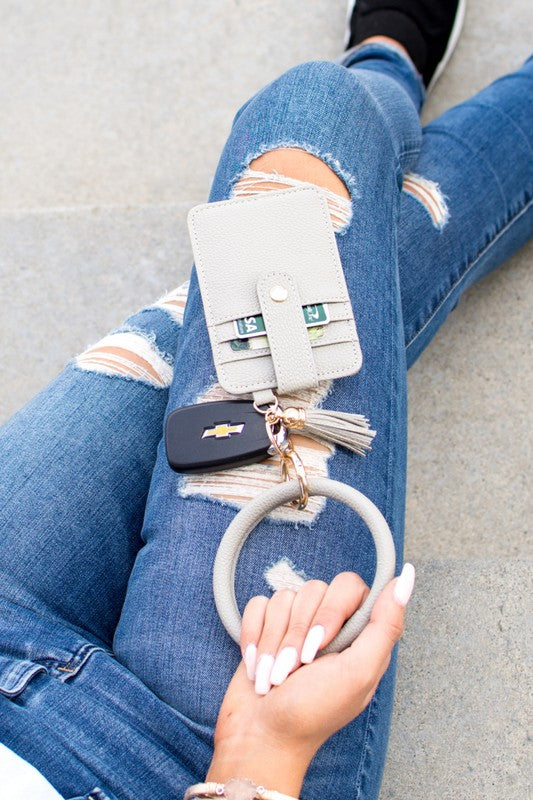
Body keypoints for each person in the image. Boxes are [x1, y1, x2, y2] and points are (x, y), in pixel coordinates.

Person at [0, 0, 531, 798]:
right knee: (309, 125)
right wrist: (258, 761)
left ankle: (387, 63)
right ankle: (385, 59)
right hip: (183, 759)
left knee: (276, 221)